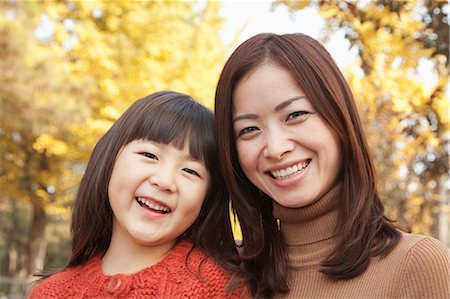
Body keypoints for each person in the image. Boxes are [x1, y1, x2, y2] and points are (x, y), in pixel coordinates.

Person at [214, 33, 450, 298]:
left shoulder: (418, 265)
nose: (276, 148)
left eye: (295, 115)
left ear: (338, 116)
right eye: (248, 129)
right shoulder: (222, 276)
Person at [29, 91, 248, 298]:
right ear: (110, 159)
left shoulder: (222, 288)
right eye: (149, 155)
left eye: (190, 171)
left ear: (207, 199)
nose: (164, 181)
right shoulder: (50, 293)